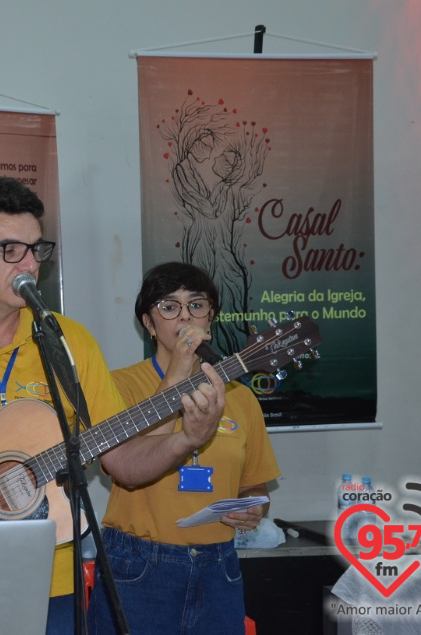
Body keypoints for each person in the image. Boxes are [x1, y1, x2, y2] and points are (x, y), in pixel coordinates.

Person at [88, 261, 281, 634]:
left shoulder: (240, 398)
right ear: (148, 323)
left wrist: (254, 509)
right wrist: (177, 371)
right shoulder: (117, 385)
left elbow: (255, 486)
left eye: (196, 305)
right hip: (138, 565)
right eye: (169, 306)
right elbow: (128, 461)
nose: (185, 316)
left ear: (211, 317)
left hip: (218, 566)